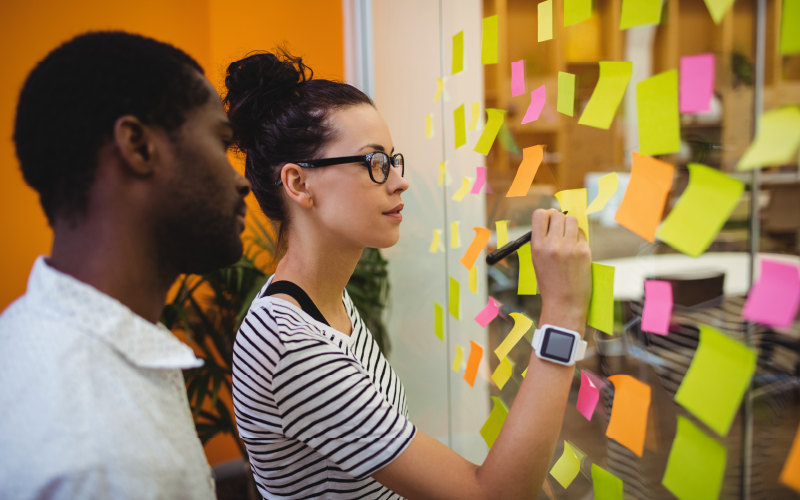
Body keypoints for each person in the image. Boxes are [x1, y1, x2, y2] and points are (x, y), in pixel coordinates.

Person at [227, 50, 592, 500]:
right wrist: (563, 312)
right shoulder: (290, 343)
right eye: (373, 163)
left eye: (392, 161)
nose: (398, 181)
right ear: (299, 184)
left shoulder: (325, 301)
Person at [0, 32, 250, 499]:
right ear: (138, 145)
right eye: (221, 142)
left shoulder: (31, 340)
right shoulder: (96, 457)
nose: (241, 180)